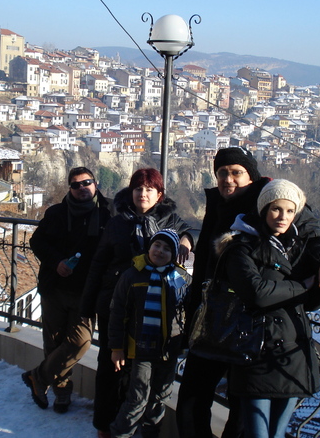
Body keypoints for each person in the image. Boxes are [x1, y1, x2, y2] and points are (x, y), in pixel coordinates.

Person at [177, 147, 320, 438]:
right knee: (191, 403)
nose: (228, 179)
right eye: (222, 173)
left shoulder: (274, 199)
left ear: (251, 176)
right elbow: (205, 265)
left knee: (242, 415)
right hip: (216, 321)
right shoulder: (218, 203)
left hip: (256, 326)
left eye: (236, 173)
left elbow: (314, 234)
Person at [217, 179, 320, 438]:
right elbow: (256, 294)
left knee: (277, 434)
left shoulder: (295, 248)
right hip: (255, 350)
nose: (283, 217)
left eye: (290, 211)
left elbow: (309, 303)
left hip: (291, 352)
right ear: (263, 210)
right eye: (276, 209)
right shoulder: (239, 248)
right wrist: (306, 283)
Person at [80, 167, 195, 438]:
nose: (143, 194)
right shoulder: (117, 222)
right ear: (130, 192)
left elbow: (188, 233)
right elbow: (98, 264)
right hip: (117, 302)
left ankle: (140, 425)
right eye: (138, 189)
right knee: (111, 365)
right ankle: (106, 424)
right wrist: (87, 307)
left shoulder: (170, 220)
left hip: (154, 310)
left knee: (144, 373)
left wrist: (187, 243)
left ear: (159, 195)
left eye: (149, 190)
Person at [22, 167, 113, 413]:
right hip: (55, 287)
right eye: (76, 184)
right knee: (54, 342)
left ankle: (38, 378)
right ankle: (62, 393)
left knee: (81, 341)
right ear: (69, 189)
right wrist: (57, 263)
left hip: (87, 291)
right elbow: (37, 242)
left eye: (87, 182)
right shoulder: (57, 213)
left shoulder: (108, 213)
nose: (82, 187)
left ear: (95, 184)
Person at [108, 229, 191, 438]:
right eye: (157, 245)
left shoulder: (180, 278)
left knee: (160, 396)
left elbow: (189, 311)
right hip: (141, 348)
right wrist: (117, 348)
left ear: (174, 254)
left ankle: (150, 433)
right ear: (149, 246)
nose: (160, 251)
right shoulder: (133, 274)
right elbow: (118, 313)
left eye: (166, 248)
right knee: (137, 397)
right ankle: (121, 433)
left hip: (169, 349)